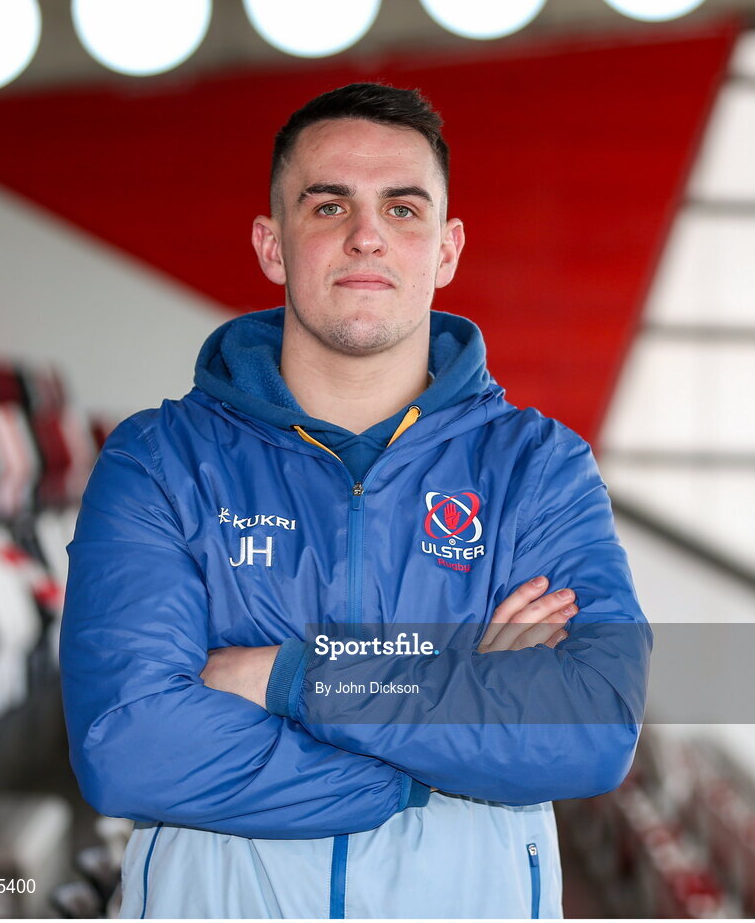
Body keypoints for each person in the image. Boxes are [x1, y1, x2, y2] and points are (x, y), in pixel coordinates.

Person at [60, 82, 651, 919]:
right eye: (329, 205)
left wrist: (292, 680)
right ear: (272, 245)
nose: (367, 235)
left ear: (446, 251)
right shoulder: (160, 460)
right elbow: (128, 747)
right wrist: (441, 738)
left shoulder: (537, 468)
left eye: (402, 209)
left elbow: (590, 728)